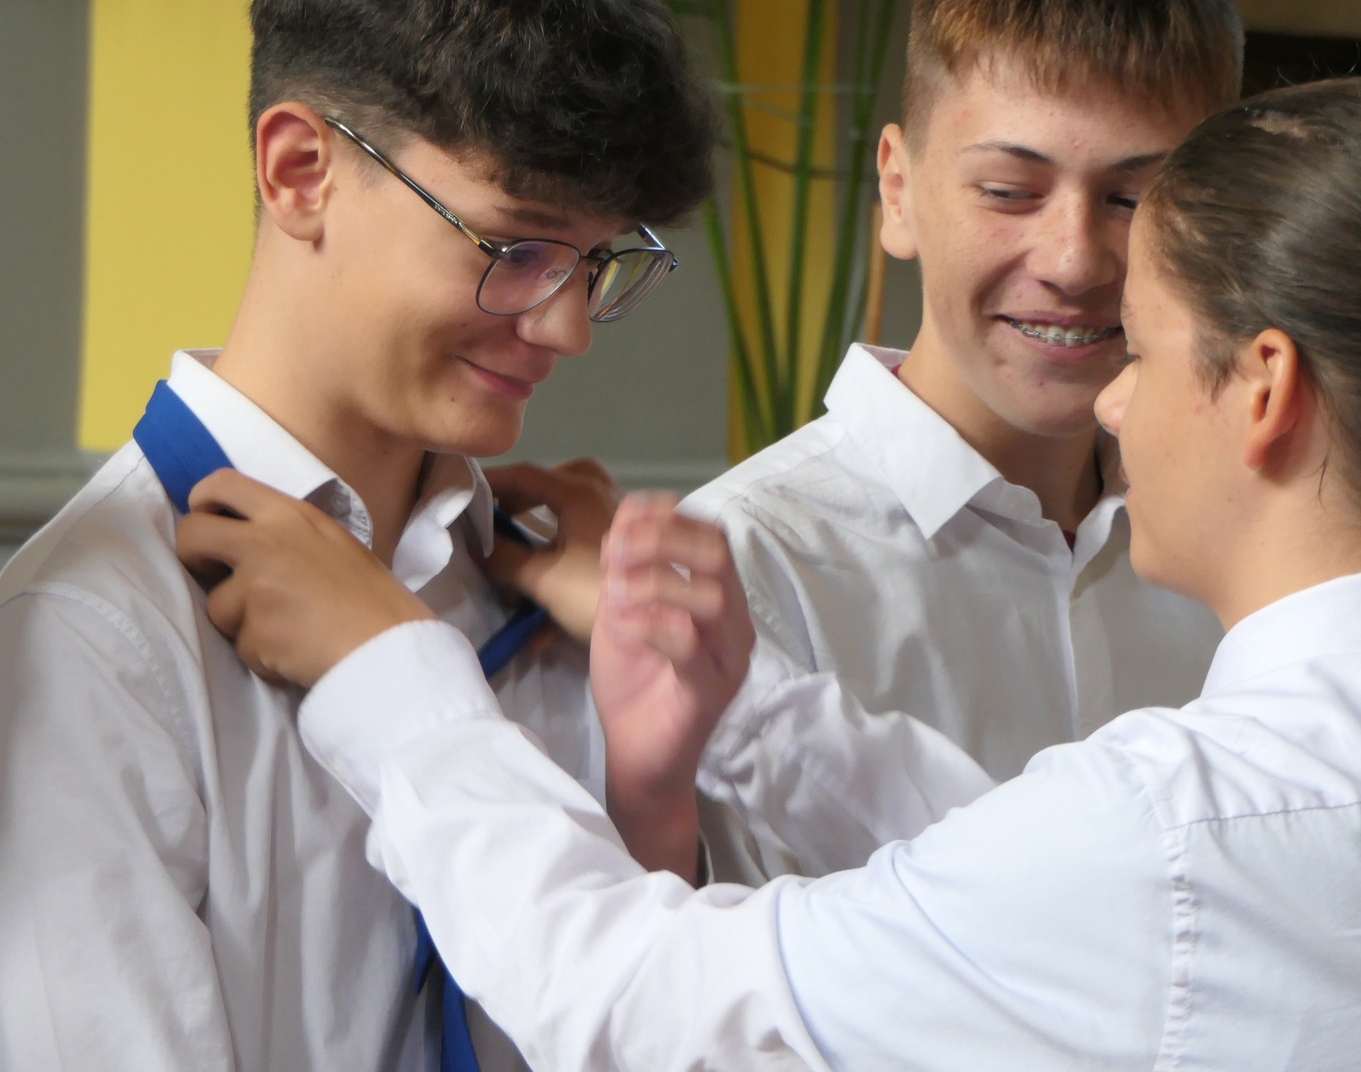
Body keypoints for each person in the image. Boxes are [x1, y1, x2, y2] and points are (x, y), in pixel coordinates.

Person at [192, 76, 1361, 1069]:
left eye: (1140, 354)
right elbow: (1035, 878)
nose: (1110, 401)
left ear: (1262, 390)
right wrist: (739, 709)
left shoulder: (1168, 833)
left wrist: (395, 687)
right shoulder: (1208, 820)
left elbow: (646, 1000)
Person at [0, 0, 719, 1071]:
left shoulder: (548, 592)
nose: (565, 328)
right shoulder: (87, 639)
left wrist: (653, 793)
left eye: (596, 265)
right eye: (515, 248)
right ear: (299, 172)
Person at [493, 0, 1239, 878]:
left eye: (1133, 198)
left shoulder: (1251, 548)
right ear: (897, 189)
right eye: (1008, 191)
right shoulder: (738, 572)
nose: (1072, 259)